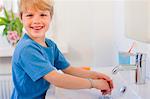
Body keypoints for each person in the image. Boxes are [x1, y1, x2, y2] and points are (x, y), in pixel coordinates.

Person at [11, 0, 113, 99]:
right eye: (30, 15)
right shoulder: (26, 49)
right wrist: (93, 83)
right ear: (21, 18)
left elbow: (69, 69)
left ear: (51, 17)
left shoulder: (50, 44)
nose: (36, 21)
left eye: (42, 15)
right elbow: (56, 78)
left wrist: (95, 75)